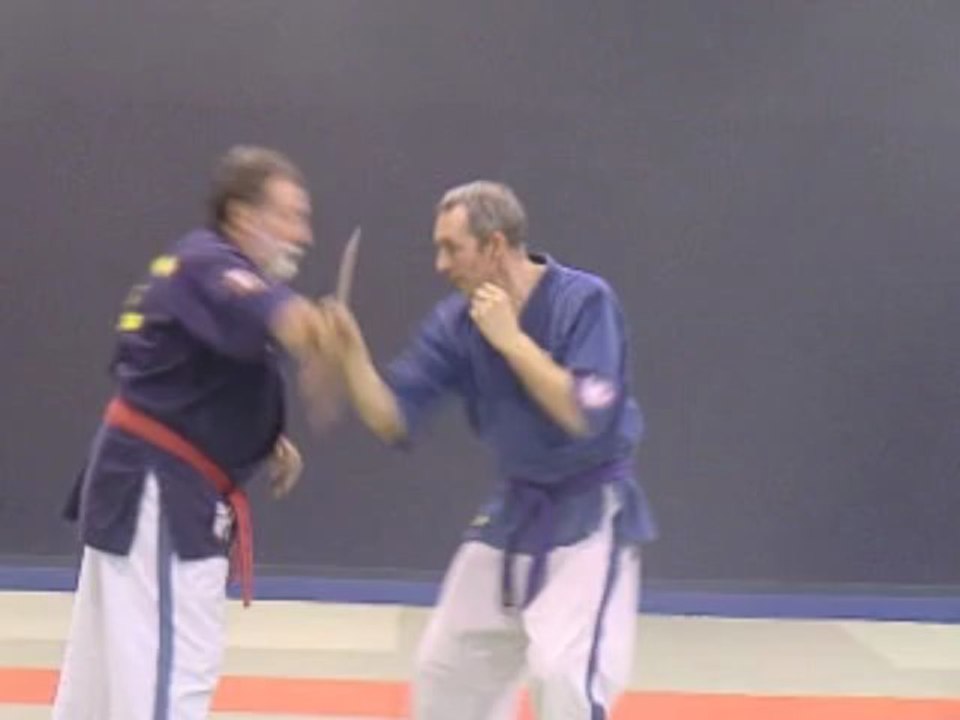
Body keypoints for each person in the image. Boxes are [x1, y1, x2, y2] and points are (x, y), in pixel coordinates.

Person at [325, 181, 657, 719]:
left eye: (451, 248)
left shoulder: (584, 301)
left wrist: (512, 341)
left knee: (563, 677)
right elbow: (393, 420)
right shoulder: (457, 325)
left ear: (495, 246)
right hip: (513, 515)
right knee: (442, 673)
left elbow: (583, 416)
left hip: (590, 518)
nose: (440, 264)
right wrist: (350, 357)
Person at [53, 146, 341, 719]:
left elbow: (181, 373)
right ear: (242, 215)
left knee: (107, 681)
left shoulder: (201, 270)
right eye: (289, 216)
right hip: (160, 494)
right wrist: (337, 340)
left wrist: (262, 437)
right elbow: (293, 323)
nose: (302, 235)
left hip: (142, 484)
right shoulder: (213, 263)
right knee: (170, 674)